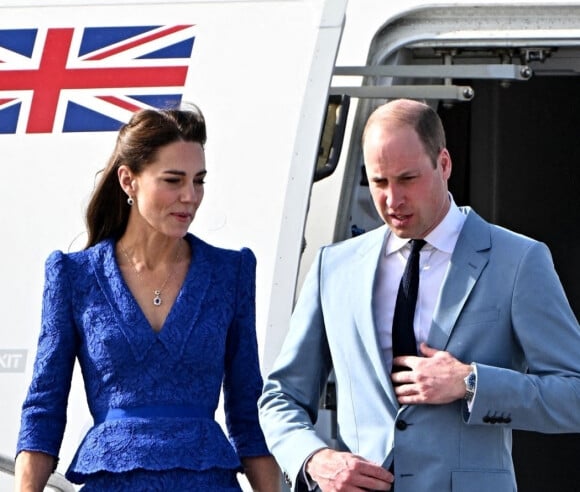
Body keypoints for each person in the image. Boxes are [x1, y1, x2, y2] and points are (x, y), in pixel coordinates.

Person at [258, 99, 580, 492]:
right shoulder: (334, 267)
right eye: (379, 182)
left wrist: (471, 383)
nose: (392, 200)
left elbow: (574, 394)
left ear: (444, 164)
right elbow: (280, 397)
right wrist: (314, 459)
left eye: (407, 179)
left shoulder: (518, 260)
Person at [15, 106, 280, 491]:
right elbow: (44, 408)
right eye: (173, 180)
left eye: (199, 180)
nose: (190, 196)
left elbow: (247, 410)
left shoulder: (230, 272)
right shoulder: (75, 276)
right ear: (129, 180)